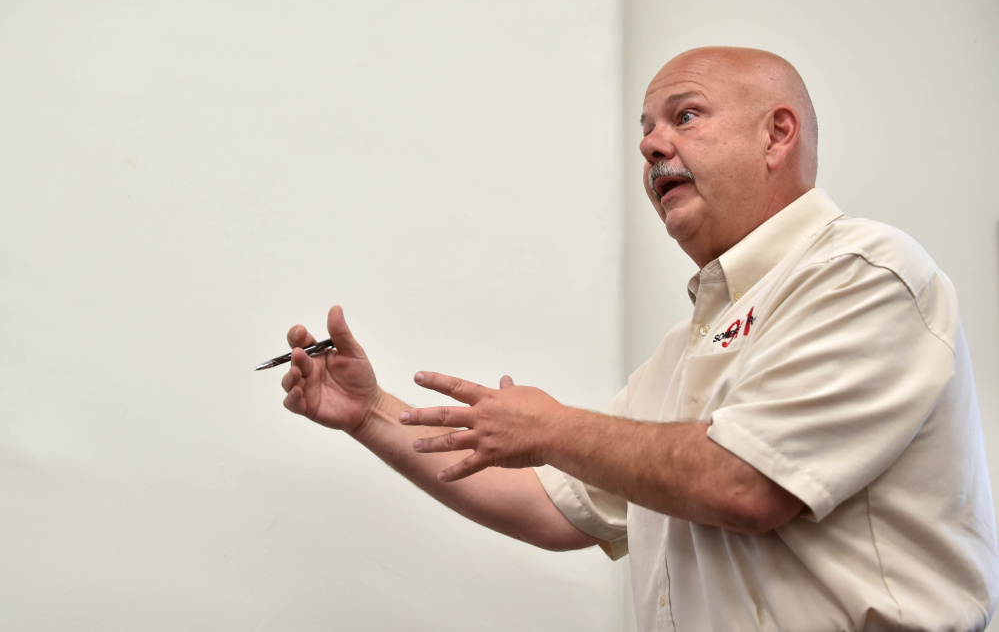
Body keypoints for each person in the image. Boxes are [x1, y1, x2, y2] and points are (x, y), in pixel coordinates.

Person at [279, 47, 999, 631]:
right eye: (646, 131)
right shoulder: (677, 355)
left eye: (684, 116)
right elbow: (545, 501)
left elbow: (745, 482)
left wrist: (553, 427)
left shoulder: (865, 273)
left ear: (777, 134)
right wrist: (369, 413)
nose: (653, 144)